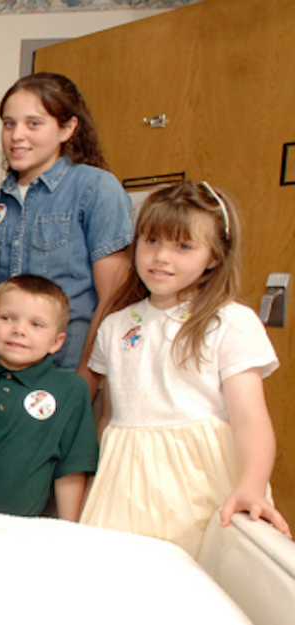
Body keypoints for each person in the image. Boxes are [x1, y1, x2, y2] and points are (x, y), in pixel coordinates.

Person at [80, 182, 290, 556]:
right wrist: (96, 480)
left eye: (183, 246)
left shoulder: (230, 322)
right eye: (151, 241)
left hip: (198, 481)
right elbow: (110, 416)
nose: (161, 257)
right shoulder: (115, 326)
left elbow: (250, 419)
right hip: (125, 480)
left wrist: (253, 484)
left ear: (214, 257)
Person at [0, 73, 132, 390]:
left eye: (33, 124)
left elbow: (113, 300)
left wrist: (84, 385)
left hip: (69, 374)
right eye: (9, 124)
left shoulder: (95, 188)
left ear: (67, 128)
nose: (17, 135)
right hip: (4, 380)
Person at [0, 275, 97, 520]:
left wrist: (71, 530)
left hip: (33, 531)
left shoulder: (70, 389)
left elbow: (71, 470)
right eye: (7, 318)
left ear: (56, 342)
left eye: (37, 324)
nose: (19, 330)